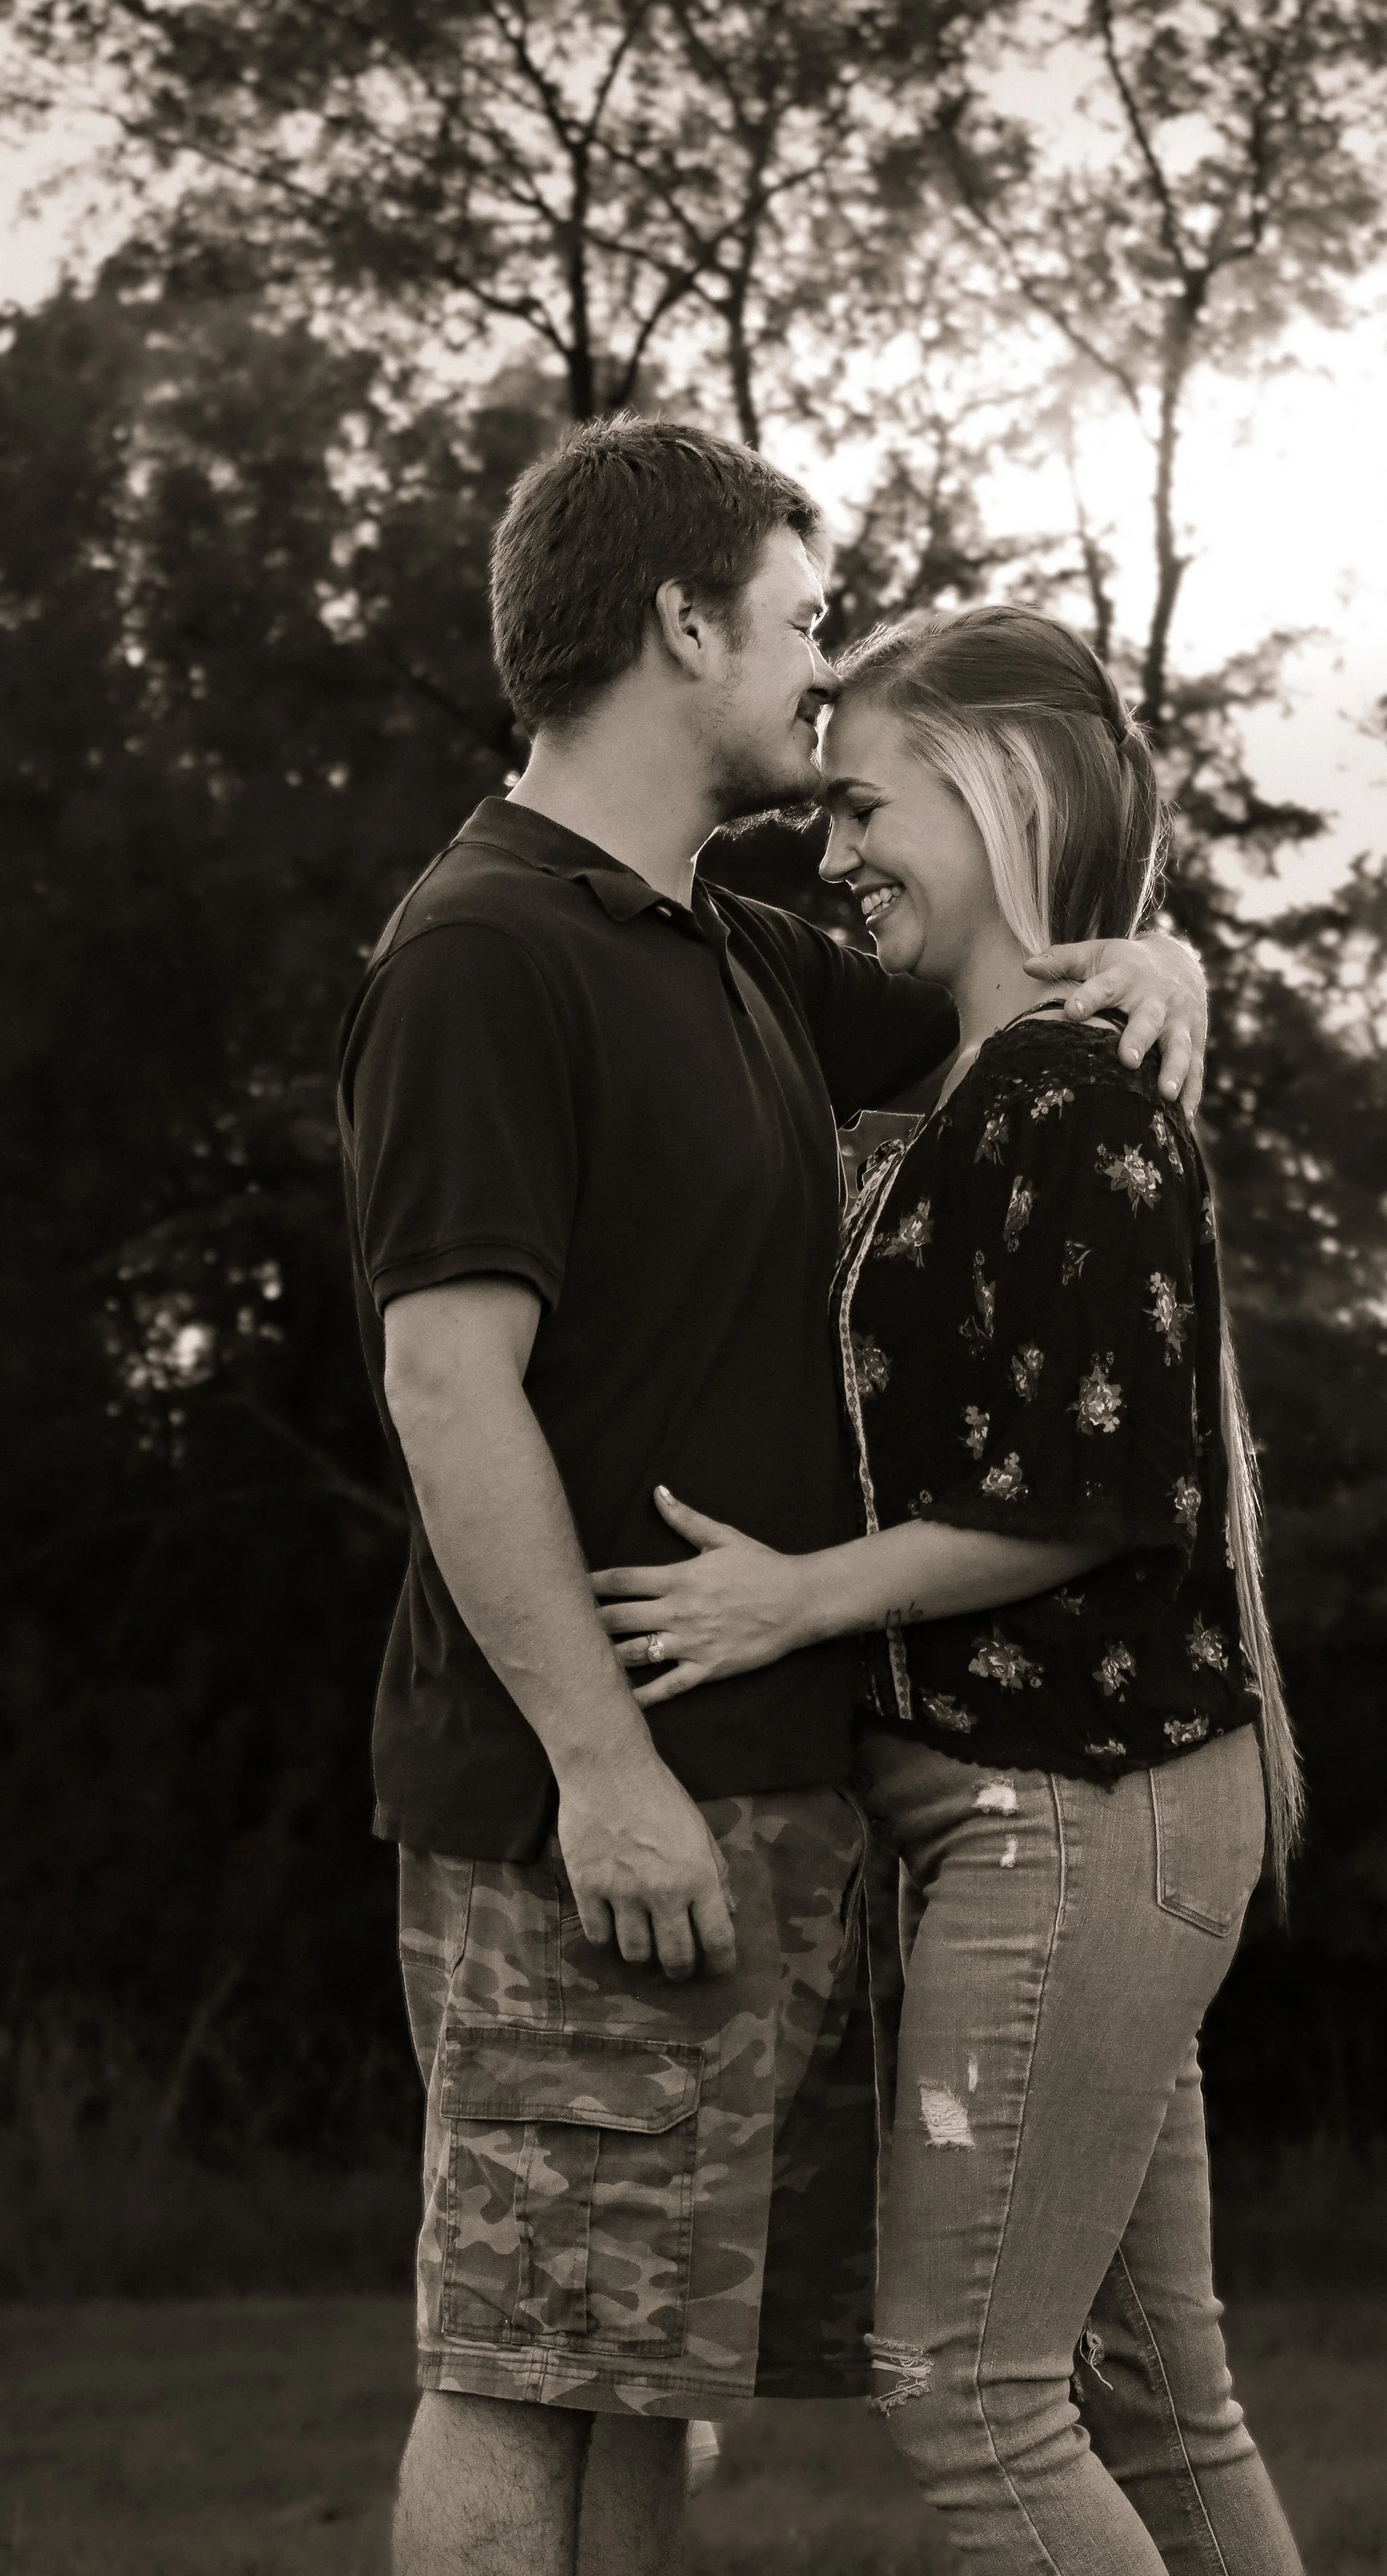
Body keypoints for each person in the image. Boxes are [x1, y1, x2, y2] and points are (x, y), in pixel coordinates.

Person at [337, 421, 1213, 2576]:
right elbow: (447, 1384)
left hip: (755, 1788)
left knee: (637, 2377)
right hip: (585, 1798)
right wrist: (598, 1762)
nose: (820, 687)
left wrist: (1159, 947)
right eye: (803, 624)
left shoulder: (720, 953)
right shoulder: (483, 949)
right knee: (517, 2357)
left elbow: (1003, 972)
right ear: (682, 621)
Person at [591, 603, 1306, 2575]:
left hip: (1080, 1814)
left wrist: (798, 1600)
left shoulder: (1066, 1097)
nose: (830, 852)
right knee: (1158, 2394)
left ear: (1003, 800)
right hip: (1070, 1811)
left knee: (970, 2387)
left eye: (863, 804)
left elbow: (1099, 1492)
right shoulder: (992, 1076)